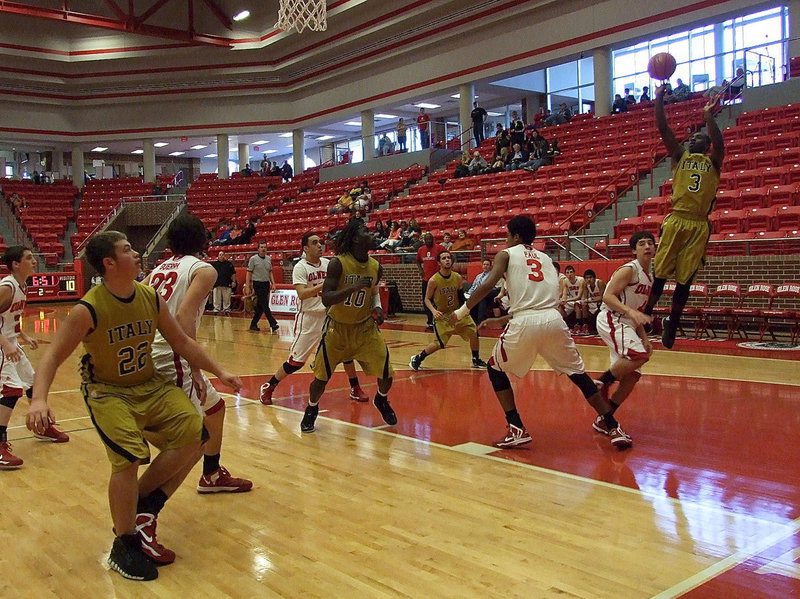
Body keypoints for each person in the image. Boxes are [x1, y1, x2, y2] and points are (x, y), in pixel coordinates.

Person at [26, 231, 242, 581]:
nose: (137, 253)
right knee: (128, 459)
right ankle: (124, 544)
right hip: (108, 392)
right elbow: (52, 356)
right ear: (109, 263)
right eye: (127, 249)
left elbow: (181, 341)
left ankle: (140, 505)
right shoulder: (88, 309)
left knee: (196, 434)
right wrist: (39, 399)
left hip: (149, 383)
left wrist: (219, 371)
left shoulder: (149, 296)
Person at [452, 215, 632, 450]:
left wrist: (462, 311)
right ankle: (612, 425)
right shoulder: (546, 258)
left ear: (516, 236)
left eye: (507, 235)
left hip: (525, 322)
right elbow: (540, 300)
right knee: (579, 375)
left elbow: (488, 284)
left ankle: (516, 427)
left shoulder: (506, 254)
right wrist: (503, 319)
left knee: (495, 368)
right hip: (554, 320)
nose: (506, 239)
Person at [147, 214, 252, 495]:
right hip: (173, 355)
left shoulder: (159, 269)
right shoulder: (204, 270)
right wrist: (194, 368)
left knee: (214, 409)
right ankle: (147, 506)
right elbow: (184, 316)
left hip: (153, 349)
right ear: (202, 238)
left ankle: (212, 474)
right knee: (191, 443)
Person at [643, 87, 723, 348]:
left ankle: (673, 323)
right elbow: (663, 128)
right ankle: (647, 313)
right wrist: (658, 99)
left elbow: (719, 142)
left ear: (706, 145)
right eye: (691, 137)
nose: (691, 140)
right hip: (677, 218)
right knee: (661, 273)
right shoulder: (680, 156)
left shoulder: (714, 161)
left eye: (698, 137)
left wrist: (708, 116)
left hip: (698, 224)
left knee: (685, 278)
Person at [300, 220, 397, 433]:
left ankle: (381, 399)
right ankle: (312, 408)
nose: (371, 234)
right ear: (354, 239)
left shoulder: (376, 266)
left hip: (365, 328)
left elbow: (374, 292)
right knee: (321, 379)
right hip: (337, 329)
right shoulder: (338, 263)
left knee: (387, 373)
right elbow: (326, 298)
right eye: (365, 231)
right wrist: (351, 288)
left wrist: (378, 308)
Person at [259, 232, 369, 405]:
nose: (319, 245)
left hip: (330, 315)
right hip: (309, 318)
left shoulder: (328, 264)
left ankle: (355, 388)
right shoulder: (300, 267)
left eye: (320, 242)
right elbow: (302, 294)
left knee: (346, 353)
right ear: (305, 248)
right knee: (296, 362)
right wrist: (324, 285)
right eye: (315, 243)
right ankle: (269, 385)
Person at [0, 247, 70, 470]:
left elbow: (8, 318)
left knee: (34, 384)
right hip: (2, 346)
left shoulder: (21, 285)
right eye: (29, 258)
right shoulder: (7, 287)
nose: (34, 261)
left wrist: (23, 335)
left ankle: (42, 426)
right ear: (15, 264)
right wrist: (6, 344)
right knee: (11, 390)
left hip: (11, 343)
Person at [594, 232, 655, 443]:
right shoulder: (629, 269)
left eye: (650, 243)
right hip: (612, 318)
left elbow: (638, 311)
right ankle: (602, 382)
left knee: (632, 376)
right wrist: (630, 312)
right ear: (634, 250)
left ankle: (605, 418)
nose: (647, 246)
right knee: (639, 356)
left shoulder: (649, 278)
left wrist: (644, 337)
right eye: (642, 244)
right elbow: (607, 296)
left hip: (628, 323)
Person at [410, 251, 486, 370]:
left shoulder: (457, 277)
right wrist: (434, 311)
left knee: (474, 332)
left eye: (449, 258)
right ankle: (418, 358)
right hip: (443, 315)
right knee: (439, 344)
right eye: (444, 258)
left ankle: (476, 359)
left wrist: (465, 309)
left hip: (456, 312)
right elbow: (427, 299)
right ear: (439, 263)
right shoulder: (433, 280)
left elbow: (460, 296)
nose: (447, 260)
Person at [244, 242, 280, 333]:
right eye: (261, 247)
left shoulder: (268, 259)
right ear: (258, 249)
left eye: (265, 247)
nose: (263, 249)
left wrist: (273, 283)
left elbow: (270, 272)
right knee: (264, 304)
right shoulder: (253, 259)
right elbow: (249, 273)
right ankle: (272, 323)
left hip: (266, 283)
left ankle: (253, 324)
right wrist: (248, 286)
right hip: (257, 283)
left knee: (260, 306)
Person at [416, 232, 446, 329]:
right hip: (426, 280)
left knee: (439, 300)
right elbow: (417, 260)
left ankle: (441, 320)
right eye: (427, 239)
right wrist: (420, 270)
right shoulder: (421, 249)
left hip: (438, 279)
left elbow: (447, 257)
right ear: (424, 240)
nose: (428, 241)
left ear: (433, 239)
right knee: (426, 300)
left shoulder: (439, 248)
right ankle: (430, 321)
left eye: (430, 239)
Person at [466, 258, 499, 325]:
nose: (485, 266)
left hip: (487, 294)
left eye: (487, 265)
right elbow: (473, 287)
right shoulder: (478, 276)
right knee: (469, 299)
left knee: (481, 298)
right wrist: (469, 294)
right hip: (476, 294)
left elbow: (493, 287)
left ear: (490, 266)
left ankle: (480, 321)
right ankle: (472, 321)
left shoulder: (492, 275)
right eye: (484, 264)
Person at [560, 265, 588, 335]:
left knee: (577, 304)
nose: (569, 274)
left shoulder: (581, 280)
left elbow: (579, 296)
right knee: (560, 305)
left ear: (574, 273)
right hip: (571, 300)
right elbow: (564, 294)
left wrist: (567, 300)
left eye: (571, 272)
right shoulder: (565, 281)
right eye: (567, 273)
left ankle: (579, 325)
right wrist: (563, 300)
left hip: (581, 300)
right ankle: (567, 324)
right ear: (565, 274)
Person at [581, 268, 605, 333]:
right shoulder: (585, 284)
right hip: (594, 302)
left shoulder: (599, 283)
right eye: (587, 278)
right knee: (584, 305)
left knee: (599, 306)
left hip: (603, 303)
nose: (589, 279)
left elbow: (602, 298)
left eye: (590, 277)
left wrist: (590, 301)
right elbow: (585, 298)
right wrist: (585, 301)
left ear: (594, 278)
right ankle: (585, 324)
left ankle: (598, 328)